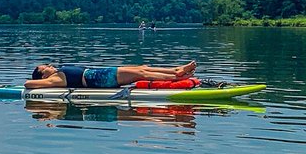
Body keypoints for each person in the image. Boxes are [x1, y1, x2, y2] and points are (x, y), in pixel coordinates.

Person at [26, 60, 197, 90]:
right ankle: (178, 77)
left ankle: (175, 70)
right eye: (45, 67)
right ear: (42, 75)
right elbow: (27, 84)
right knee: (142, 73)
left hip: (100, 75)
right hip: (100, 79)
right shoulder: (54, 79)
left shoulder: (57, 74)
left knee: (141, 68)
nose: (49, 65)